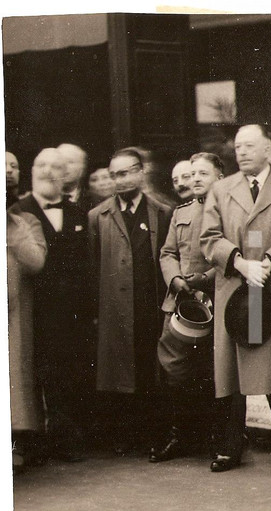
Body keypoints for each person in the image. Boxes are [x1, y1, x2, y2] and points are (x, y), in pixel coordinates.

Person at [201, 124, 271, 473]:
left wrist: (268, 263)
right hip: (236, 286)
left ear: (267, 149)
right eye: (238, 147)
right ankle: (229, 447)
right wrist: (239, 263)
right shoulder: (221, 189)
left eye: (250, 146)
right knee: (232, 375)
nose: (242, 152)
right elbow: (209, 238)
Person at [11, 148, 94, 462]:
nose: (48, 171)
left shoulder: (77, 213)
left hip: (70, 314)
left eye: (55, 166)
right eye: (42, 165)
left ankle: (65, 439)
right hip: (30, 312)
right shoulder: (17, 211)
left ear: (66, 175)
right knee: (29, 377)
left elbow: (87, 266)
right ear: (32, 171)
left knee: (69, 374)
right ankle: (31, 443)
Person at [89, 148, 173, 455]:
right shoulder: (98, 217)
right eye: (114, 175)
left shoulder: (161, 212)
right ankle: (125, 435)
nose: (119, 180)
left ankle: (154, 434)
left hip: (151, 304)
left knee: (151, 367)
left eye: (125, 173)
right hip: (116, 308)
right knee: (121, 370)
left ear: (140, 173)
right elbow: (93, 266)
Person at [150, 152, 224, 463]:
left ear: (220, 177)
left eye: (203, 174)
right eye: (192, 174)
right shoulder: (181, 212)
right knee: (174, 369)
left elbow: (236, 254)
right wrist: (176, 278)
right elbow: (167, 252)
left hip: (217, 301)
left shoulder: (229, 211)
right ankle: (179, 436)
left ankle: (217, 439)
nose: (195, 179)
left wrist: (205, 279)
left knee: (214, 372)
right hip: (180, 304)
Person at [7, 209, 47, 472]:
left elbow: (36, 261)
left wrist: (14, 233)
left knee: (14, 379)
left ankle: (16, 443)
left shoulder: (23, 222)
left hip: (13, 315)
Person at [57, 143, 90, 209]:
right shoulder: (41, 199)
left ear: (82, 168)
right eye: (59, 161)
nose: (63, 166)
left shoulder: (94, 200)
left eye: (70, 162)